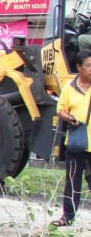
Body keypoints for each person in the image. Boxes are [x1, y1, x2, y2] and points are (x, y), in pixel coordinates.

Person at [53, 49, 91, 227]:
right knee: (72, 181)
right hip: (77, 143)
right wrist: (69, 118)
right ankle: (68, 216)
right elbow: (60, 109)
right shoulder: (70, 87)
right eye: (88, 66)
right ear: (78, 67)